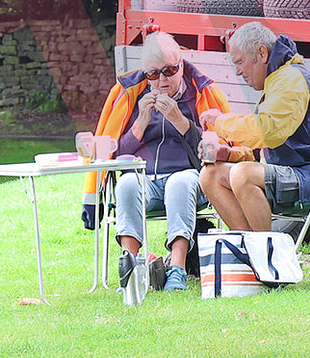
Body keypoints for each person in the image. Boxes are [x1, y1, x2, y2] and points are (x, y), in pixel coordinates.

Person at [82, 31, 238, 292]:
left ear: (181, 65)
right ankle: (131, 268)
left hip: (193, 178)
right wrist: (140, 124)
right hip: (146, 178)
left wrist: (181, 121)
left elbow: (216, 149)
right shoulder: (131, 95)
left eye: (169, 71)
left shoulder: (201, 92)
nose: (162, 80)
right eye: (153, 74)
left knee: (180, 183)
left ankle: (177, 268)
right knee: (127, 185)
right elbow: (113, 152)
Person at [199, 21, 310, 232]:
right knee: (210, 175)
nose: (237, 71)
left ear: (262, 53)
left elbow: (266, 131)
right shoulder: (277, 80)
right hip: (300, 171)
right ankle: (250, 250)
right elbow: (265, 150)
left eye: (239, 62)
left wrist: (219, 122)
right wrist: (229, 154)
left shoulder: (291, 79)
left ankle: (265, 255)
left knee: (243, 175)